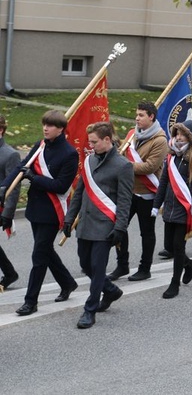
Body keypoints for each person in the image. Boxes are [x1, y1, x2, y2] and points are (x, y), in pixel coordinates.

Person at [2, 110, 79, 316]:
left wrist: (34, 178)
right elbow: (21, 166)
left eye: (50, 125)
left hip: (52, 212)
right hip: (36, 209)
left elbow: (62, 186)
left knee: (39, 255)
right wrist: (4, 187)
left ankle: (31, 301)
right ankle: (67, 282)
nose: (45, 128)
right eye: (44, 124)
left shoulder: (70, 153)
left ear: (61, 129)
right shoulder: (40, 145)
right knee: (45, 251)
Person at [63, 122, 134, 329]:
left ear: (107, 140)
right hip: (85, 224)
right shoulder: (88, 161)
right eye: (90, 142)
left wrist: (120, 227)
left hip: (105, 226)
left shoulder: (123, 166)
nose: (91, 145)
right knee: (85, 264)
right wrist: (69, 218)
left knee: (97, 266)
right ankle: (110, 290)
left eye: (94, 142)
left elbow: (124, 201)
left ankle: (89, 310)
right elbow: (79, 193)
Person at [109, 101, 168, 282]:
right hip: (129, 191)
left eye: (141, 115)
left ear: (151, 117)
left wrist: (124, 166)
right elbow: (122, 154)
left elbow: (150, 167)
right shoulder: (132, 135)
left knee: (146, 232)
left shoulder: (160, 140)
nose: (137, 118)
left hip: (148, 193)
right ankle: (122, 265)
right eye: (136, 115)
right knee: (119, 227)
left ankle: (145, 268)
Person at [152, 123, 192, 299]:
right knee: (169, 246)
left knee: (178, 246)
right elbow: (164, 182)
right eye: (176, 134)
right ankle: (189, 264)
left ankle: (174, 283)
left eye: (182, 135)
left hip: (185, 209)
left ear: (190, 137)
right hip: (169, 208)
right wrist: (156, 204)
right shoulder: (171, 156)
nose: (178, 138)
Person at [0, 115, 21, 290]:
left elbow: (14, 187)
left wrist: (8, 212)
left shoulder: (10, 154)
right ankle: (9, 273)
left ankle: (9, 273)